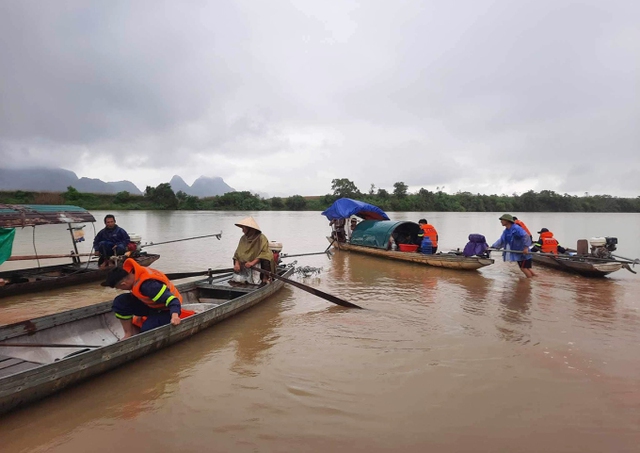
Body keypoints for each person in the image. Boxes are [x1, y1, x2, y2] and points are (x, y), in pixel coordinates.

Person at [102, 258, 183, 339]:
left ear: (123, 284)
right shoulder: (134, 274)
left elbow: (173, 301)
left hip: (168, 308)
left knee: (146, 332)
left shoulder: (149, 286)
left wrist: (175, 316)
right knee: (120, 302)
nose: (121, 290)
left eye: (119, 288)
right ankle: (128, 334)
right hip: (152, 305)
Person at [233, 217, 275, 286]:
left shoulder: (261, 238)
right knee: (235, 260)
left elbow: (264, 253)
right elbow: (238, 253)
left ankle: (265, 278)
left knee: (266, 258)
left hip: (258, 259)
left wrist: (252, 263)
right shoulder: (243, 238)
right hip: (246, 261)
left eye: (244, 228)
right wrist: (237, 263)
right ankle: (241, 277)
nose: (242, 231)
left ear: (250, 229)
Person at [491, 213, 535, 278]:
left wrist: (526, 247)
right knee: (525, 268)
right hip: (518, 253)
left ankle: (529, 283)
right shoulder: (506, 231)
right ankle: (536, 279)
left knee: (523, 268)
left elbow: (526, 236)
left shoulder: (516, 228)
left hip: (524, 252)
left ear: (507, 221)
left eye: (502, 220)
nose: (501, 222)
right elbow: (502, 240)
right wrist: (493, 247)